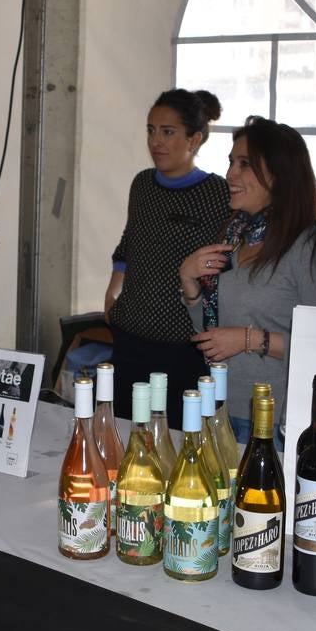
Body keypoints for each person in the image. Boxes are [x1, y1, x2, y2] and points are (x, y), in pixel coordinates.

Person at [179, 116, 316, 446]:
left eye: (245, 164)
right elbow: (211, 334)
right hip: (220, 410)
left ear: (280, 175)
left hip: (278, 422)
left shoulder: (313, 250)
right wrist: (189, 283)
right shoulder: (235, 238)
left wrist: (248, 339)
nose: (230, 175)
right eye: (231, 162)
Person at [105, 89, 228, 423]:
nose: (155, 141)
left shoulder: (217, 193)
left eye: (168, 132)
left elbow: (225, 265)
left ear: (195, 139)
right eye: (150, 130)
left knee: (175, 441)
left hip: (183, 348)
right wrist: (112, 296)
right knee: (124, 435)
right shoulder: (142, 185)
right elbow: (128, 243)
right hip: (130, 340)